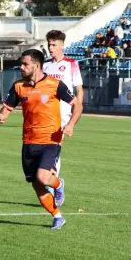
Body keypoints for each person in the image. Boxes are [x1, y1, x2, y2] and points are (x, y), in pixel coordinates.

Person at [0, 49, 83, 230]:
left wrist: (71, 124)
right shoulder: (19, 86)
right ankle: (57, 217)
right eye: (21, 64)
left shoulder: (54, 84)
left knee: (43, 177)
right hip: (28, 142)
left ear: (36, 65)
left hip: (51, 139)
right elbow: (7, 108)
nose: (21, 67)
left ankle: (58, 184)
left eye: (25, 64)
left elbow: (78, 105)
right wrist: (1, 116)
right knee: (37, 185)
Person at [42, 30, 84, 190]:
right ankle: (54, 184)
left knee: (54, 146)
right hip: (44, 114)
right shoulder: (45, 65)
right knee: (45, 148)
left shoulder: (71, 64)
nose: (51, 47)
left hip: (62, 114)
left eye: (54, 44)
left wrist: (74, 117)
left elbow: (79, 90)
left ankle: (53, 187)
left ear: (62, 45)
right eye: (49, 44)